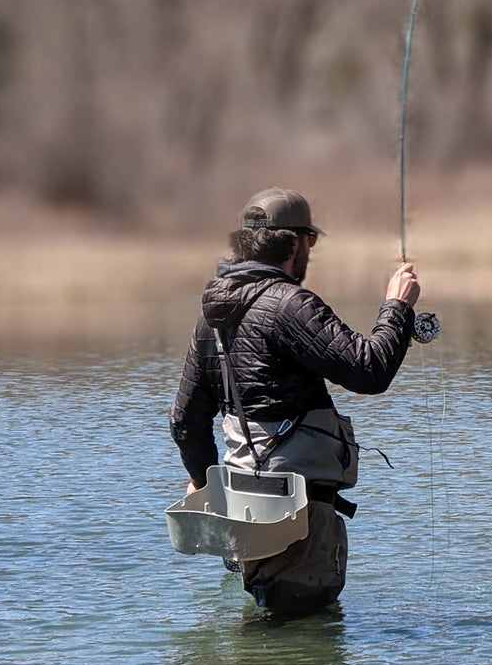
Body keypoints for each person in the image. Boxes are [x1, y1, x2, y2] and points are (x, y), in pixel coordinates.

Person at [171, 187, 420, 616]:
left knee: (273, 620)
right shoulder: (289, 305)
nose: (311, 250)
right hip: (296, 508)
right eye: (311, 240)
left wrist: (201, 478)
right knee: (298, 630)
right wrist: (397, 307)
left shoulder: (211, 315)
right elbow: (369, 370)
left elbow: (185, 421)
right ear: (297, 242)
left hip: (243, 506)